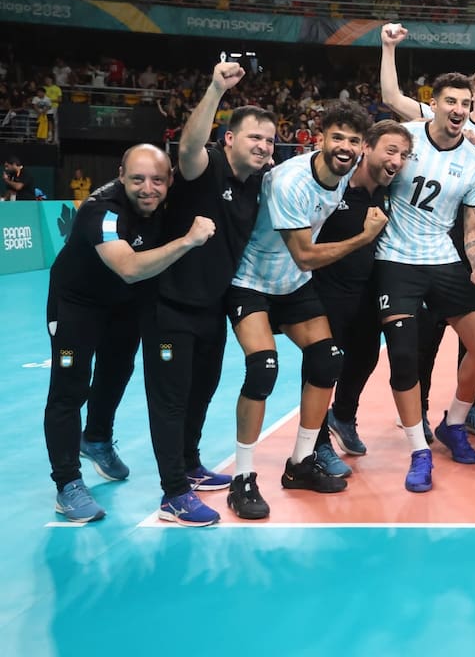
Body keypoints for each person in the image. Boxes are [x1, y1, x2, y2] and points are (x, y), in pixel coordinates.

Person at [45, 145, 215, 523]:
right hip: (76, 304)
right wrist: (188, 240)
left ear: (170, 179)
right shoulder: (102, 211)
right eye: (137, 179)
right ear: (121, 175)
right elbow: (130, 268)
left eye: (157, 179)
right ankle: (68, 484)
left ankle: (98, 438)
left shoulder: (165, 204)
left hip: (122, 306)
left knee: (116, 372)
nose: (147, 188)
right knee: (70, 388)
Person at [225, 100, 377, 519]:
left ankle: (300, 464)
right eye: (337, 137)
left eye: (353, 140)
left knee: (328, 360)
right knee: (263, 367)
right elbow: (306, 255)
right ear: (319, 138)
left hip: (293, 286)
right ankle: (242, 479)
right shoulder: (290, 181)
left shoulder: (344, 175)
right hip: (252, 282)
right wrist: (364, 238)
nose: (345, 146)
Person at [139, 62, 275, 527]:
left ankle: (190, 466)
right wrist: (216, 86)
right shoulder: (206, 165)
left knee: (202, 391)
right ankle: (172, 494)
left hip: (212, 307)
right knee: (171, 401)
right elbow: (189, 146)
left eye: (270, 140)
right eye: (255, 137)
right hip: (170, 306)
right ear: (231, 139)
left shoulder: (258, 181)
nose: (263, 145)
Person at [375, 72, 475, 493]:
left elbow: (473, 230)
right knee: (405, 358)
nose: (459, 110)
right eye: (451, 102)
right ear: (435, 103)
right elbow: (372, 171)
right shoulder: (406, 139)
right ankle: (418, 451)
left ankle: (455, 424)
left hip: (443, 259)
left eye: (465, 103)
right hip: (395, 259)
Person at [313, 121, 413, 469]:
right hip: (327, 291)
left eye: (403, 155)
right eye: (390, 151)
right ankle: (316, 443)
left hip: (368, 289)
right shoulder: (333, 187)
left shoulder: (387, 190)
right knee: (325, 366)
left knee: (366, 357)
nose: (398, 161)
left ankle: (342, 416)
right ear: (366, 147)